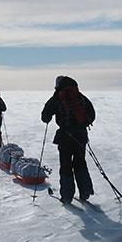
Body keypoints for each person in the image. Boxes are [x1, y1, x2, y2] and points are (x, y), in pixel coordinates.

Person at [40, 75, 95, 204]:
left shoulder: (57, 98)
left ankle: (67, 196)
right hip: (81, 136)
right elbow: (92, 115)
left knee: (66, 165)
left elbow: (45, 117)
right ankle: (85, 191)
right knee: (80, 162)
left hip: (65, 136)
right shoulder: (80, 97)